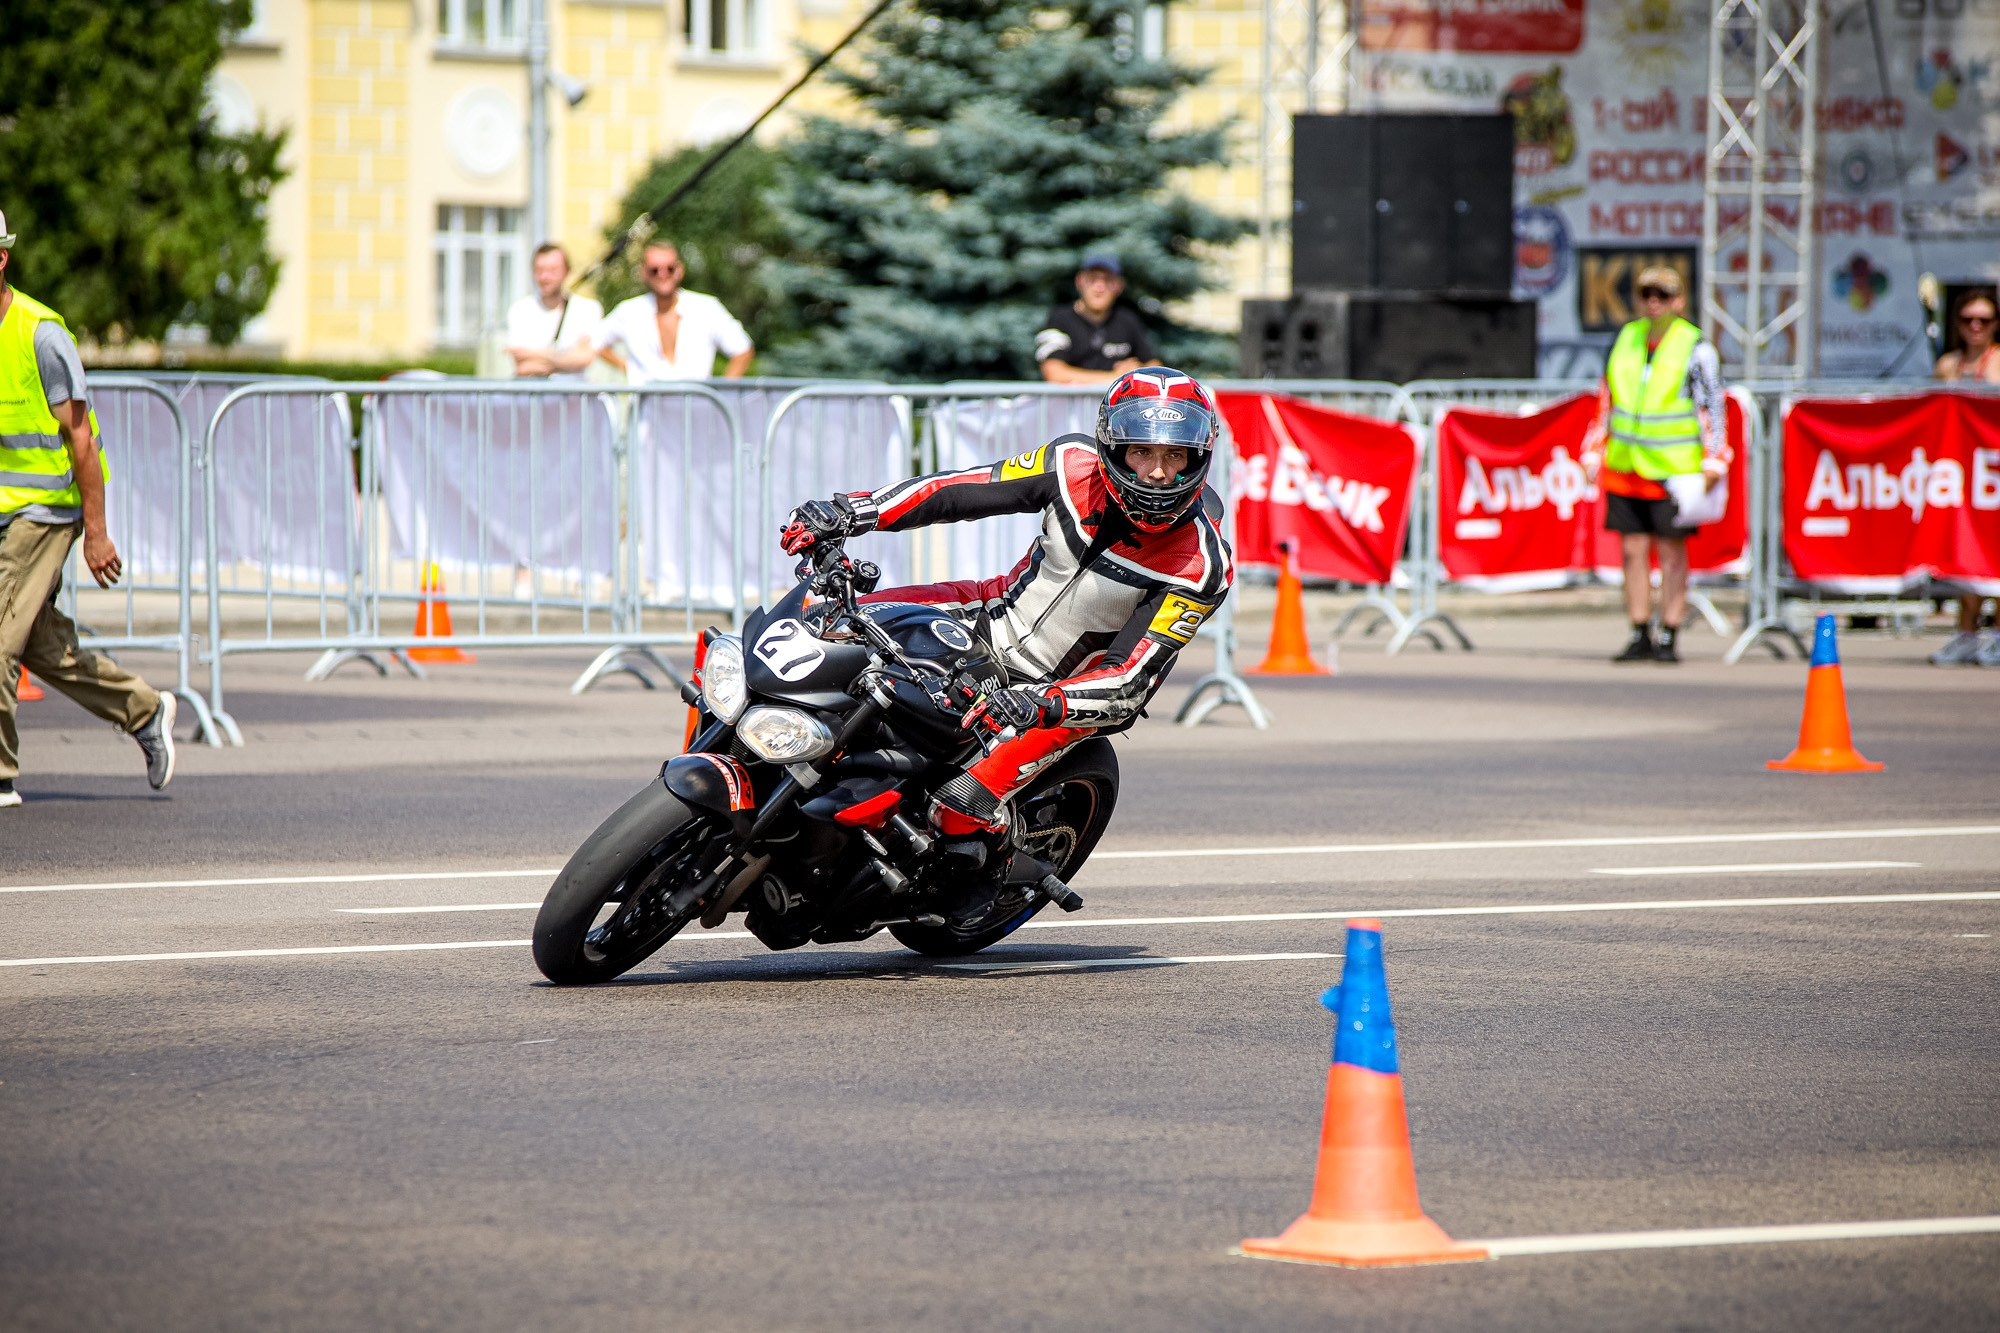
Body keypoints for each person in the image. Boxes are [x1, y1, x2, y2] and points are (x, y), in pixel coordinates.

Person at [780, 367, 1232, 923]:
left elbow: (1133, 677)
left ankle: (984, 864)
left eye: (1175, 457)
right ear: (1111, 446)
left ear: (1198, 457)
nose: (1158, 473)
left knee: (959, 805)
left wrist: (1045, 703)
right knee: (816, 619)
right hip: (987, 615)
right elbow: (957, 490)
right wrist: (855, 511)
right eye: (1141, 452)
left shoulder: (1201, 565)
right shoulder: (1070, 465)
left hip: (1060, 693)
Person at [0, 209, 176, 809]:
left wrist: (96, 532)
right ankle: (145, 710)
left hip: (46, 512)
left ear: (1, 259)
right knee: (37, 645)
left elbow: (82, 441)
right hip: (4, 513)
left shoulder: (40, 334)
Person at [1579, 265, 1731, 664]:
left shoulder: (1696, 347)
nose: (1652, 302)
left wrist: (1715, 458)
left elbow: (1712, 406)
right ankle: (1639, 630)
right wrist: (1593, 448)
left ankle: (1670, 631)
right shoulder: (1626, 339)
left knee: (1671, 551)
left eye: (1662, 295)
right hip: (1626, 462)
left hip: (1673, 466)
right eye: (1646, 294)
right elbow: (1607, 398)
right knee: (1632, 550)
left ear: (1679, 301)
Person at [554, 241, 752, 381]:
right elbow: (593, 343)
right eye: (655, 270)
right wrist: (627, 368)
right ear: (643, 273)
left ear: (680, 270)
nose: (663, 275)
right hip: (647, 426)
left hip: (697, 421)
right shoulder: (629, 311)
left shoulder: (706, 308)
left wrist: (724, 393)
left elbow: (742, 349)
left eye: (670, 268)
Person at [1929, 288, 2000, 666]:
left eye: (1984, 320)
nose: (1975, 326)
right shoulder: (1947, 366)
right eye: (1968, 319)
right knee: (1964, 555)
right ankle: (1966, 633)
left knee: (1996, 555)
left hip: (1993, 474)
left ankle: (1998, 635)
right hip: (1958, 475)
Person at [1035, 254, 1161, 385]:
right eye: (1092, 279)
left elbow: (1155, 367)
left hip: (1114, 405)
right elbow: (1054, 374)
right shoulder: (1059, 319)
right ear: (1079, 282)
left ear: (1119, 285)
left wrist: (1138, 371)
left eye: (1108, 280)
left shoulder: (1127, 320)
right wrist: (1118, 378)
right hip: (1068, 404)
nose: (1099, 287)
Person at [503, 243, 605, 379]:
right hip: (532, 398)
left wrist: (537, 355)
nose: (545, 277)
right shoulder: (520, 310)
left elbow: (586, 358)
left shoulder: (588, 309)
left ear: (567, 271)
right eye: (539, 270)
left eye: (553, 270)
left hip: (574, 399)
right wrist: (567, 359)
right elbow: (523, 366)